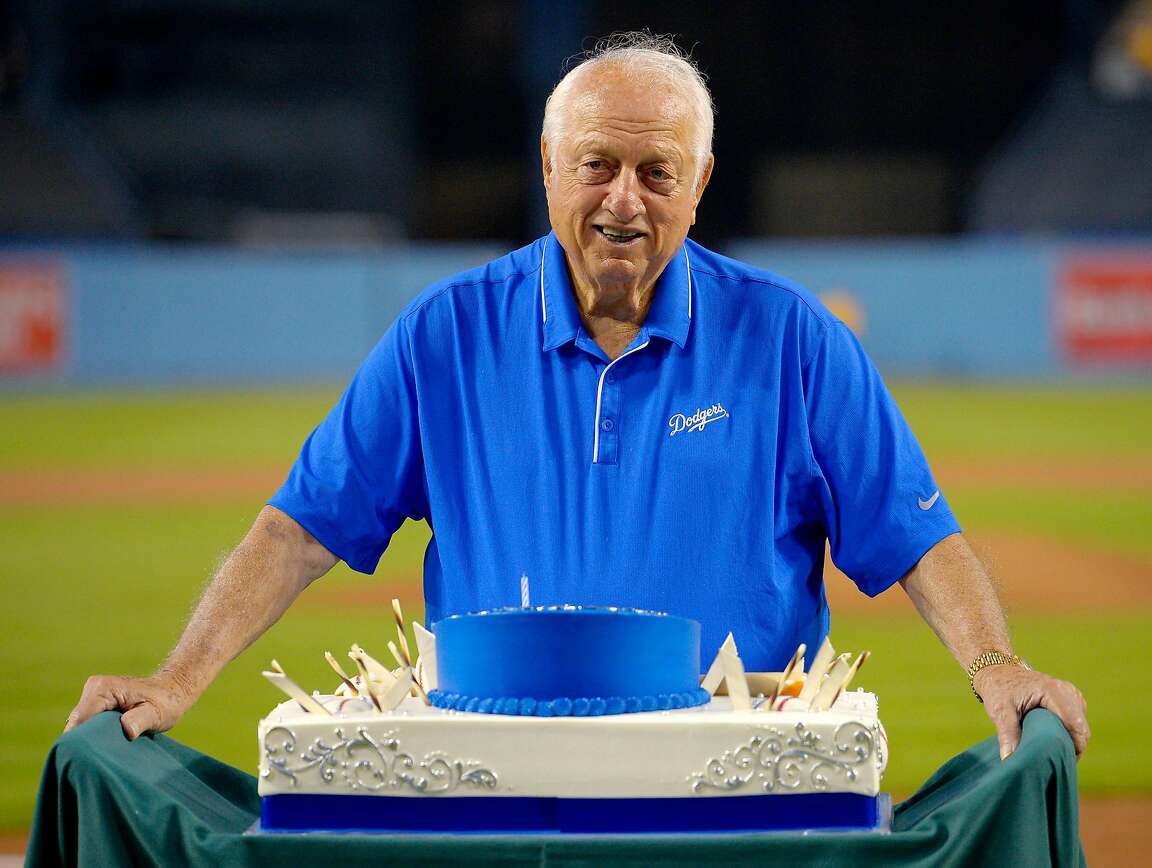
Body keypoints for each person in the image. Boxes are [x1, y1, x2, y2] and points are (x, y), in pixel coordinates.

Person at [67, 33, 1088, 762]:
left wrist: (999, 663)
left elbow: (920, 535)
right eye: (597, 164)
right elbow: (300, 528)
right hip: (493, 767)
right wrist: (179, 676)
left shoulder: (792, 339)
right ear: (549, 166)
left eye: (658, 169)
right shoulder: (446, 333)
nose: (623, 199)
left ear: (701, 180)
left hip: (729, 778)